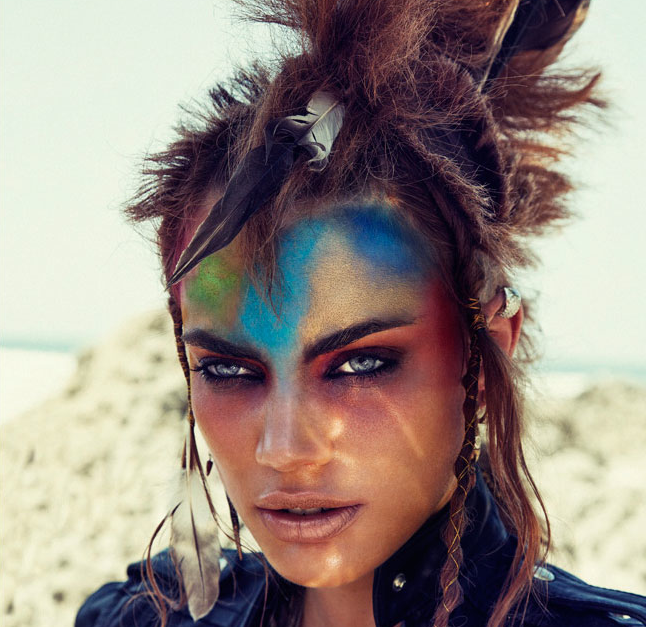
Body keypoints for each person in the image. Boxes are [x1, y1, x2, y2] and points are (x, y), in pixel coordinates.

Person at [75, 0, 646, 625]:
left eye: (361, 364)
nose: (285, 449)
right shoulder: (144, 615)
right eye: (229, 371)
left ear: (486, 358)